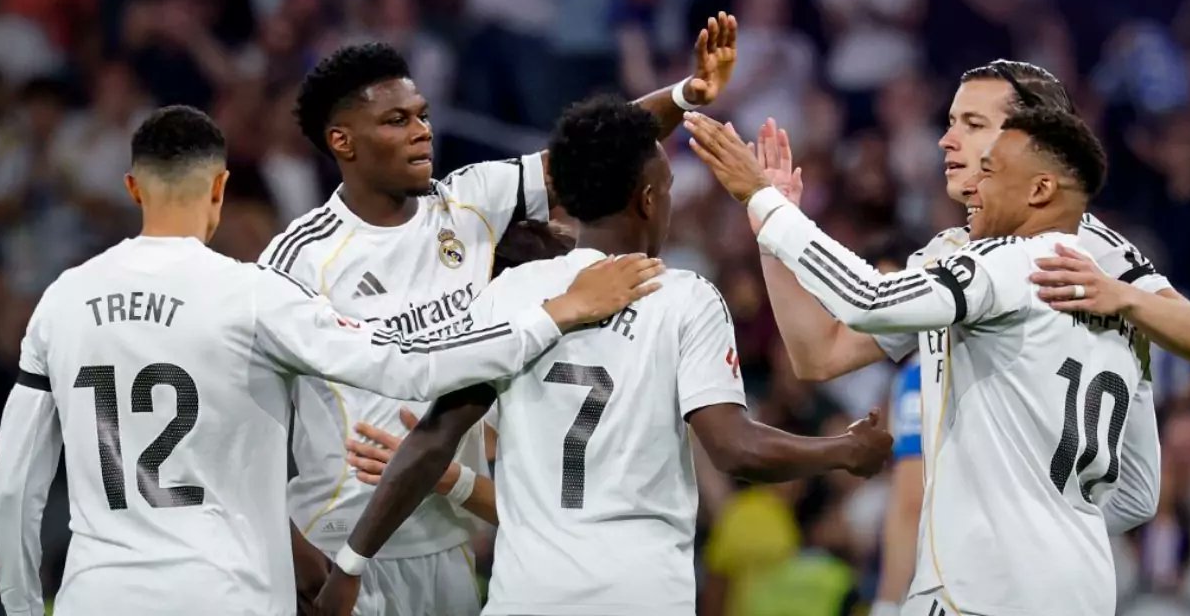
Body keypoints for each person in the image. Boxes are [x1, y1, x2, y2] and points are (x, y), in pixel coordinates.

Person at [0, 105, 661, 616]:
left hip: (97, 595)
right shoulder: (253, 296)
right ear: (220, 188)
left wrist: (20, 605)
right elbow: (409, 368)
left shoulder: (62, 300)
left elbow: (16, 487)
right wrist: (557, 311)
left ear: (134, 189)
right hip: (227, 593)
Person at [315, 95, 895, 616]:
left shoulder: (510, 294)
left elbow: (433, 438)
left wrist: (349, 565)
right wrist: (843, 450)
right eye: (667, 189)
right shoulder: (684, 298)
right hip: (641, 595)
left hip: (527, 597)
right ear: (648, 199)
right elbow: (735, 449)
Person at [271, 11, 740, 616]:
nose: (421, 132)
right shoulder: (299, 258)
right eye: (396, 120)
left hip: (448, 539)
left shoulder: (470, 201)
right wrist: (296, 555)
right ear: (343, 141)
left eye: (422, 115)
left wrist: (685, 94)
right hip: (344, 545)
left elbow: (594, 152)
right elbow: (251, 410)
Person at [747, 60, 1190, 615]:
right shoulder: (953, 250)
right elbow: (821, 355)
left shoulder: (1093, 249)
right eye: (951, 121)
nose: (948, 139)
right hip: (1061, 577)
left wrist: (774, 214)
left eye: (974, 124)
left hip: (985, 580)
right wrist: (770, 243)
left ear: (1030, 137)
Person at [684, 106, 1149, 616]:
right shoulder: (1125, 309)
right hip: (1082, 587)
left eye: (992, 170)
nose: (974, 185)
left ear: (1039, 190)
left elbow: (869, 298)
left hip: (985, 590)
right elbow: (1139, 495)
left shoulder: (1008, 263)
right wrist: (1051, 534)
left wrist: (768, 204)